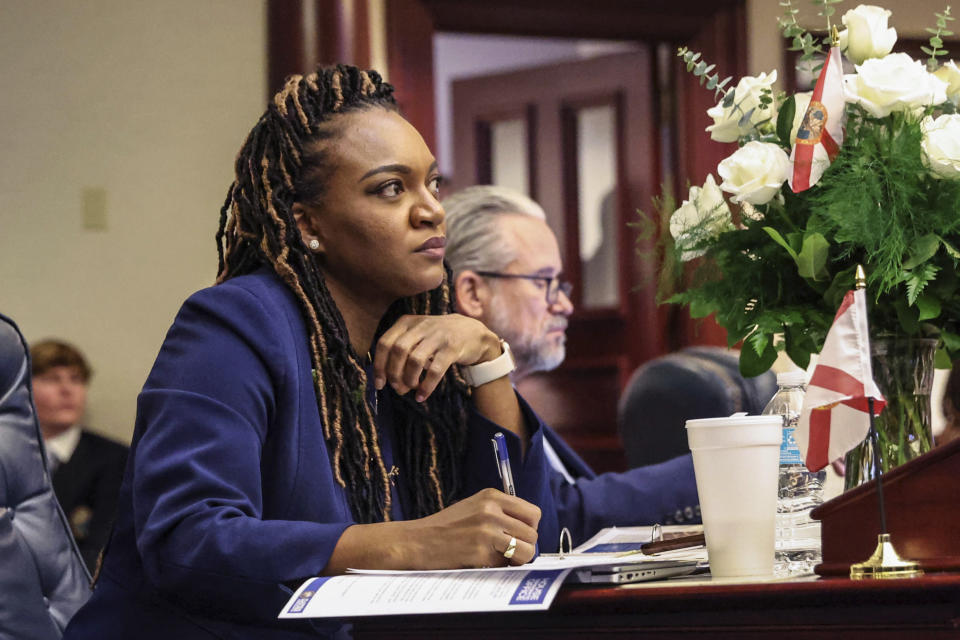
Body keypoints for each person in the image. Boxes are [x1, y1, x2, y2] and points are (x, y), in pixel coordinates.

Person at [63, 65, 558, 640]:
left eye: (432, 184)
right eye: (390, 188)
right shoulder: (234, 324)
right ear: (307, 223)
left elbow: (521, 539)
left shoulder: (418, 346)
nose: (431, 210)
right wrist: (412, 543)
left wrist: (489, 360)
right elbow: (187, 540)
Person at [443, 185, 700, 545]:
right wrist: (712, 470)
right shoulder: (445, 401)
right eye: (544, 282)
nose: (565, 305)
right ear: (472, 293)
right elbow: (553, 522)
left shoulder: (509, 394)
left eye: (560, 284)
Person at [30, 338, 128, 573]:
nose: (67, 390)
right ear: (24, 388)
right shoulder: (8, 455)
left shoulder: (115, 459)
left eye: (76, 379)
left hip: (75, 590)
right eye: (51, 379)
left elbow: (102, 546)